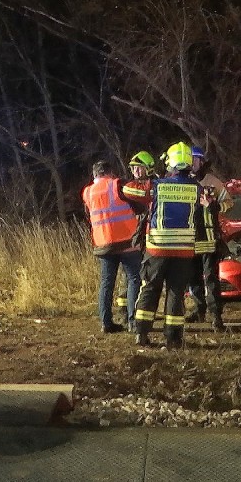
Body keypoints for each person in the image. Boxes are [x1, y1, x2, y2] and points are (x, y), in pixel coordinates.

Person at [131, 141, 203, 349]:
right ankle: (173, 338)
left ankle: (141, 334)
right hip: (184, 250)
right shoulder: (196, 188)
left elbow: (130, 191)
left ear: (170, 163)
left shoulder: (158, 186)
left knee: (150, 289)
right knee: (176, 292)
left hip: (158, 248)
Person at [82, 160, 141, 333]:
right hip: (126, 241)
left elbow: (88, 215)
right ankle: (132, 321)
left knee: (107, 283)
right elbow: (137, 206)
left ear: (95, 174)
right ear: (110, 172)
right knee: (134, 279)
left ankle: (106, 322)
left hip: (103, 243)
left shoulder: (88, 192)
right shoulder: (118, 185)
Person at [186, 145, 230, 331]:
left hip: (210, 238)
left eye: (194, 160)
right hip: (191, 238)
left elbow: (229, 202)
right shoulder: (184, 182)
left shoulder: (213, 181)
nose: (192, 163)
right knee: (193, 278)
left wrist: (216, 206)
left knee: (211, 278)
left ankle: (216, 316)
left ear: (201, 161)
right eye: (190, 160)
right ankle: (199, 309)